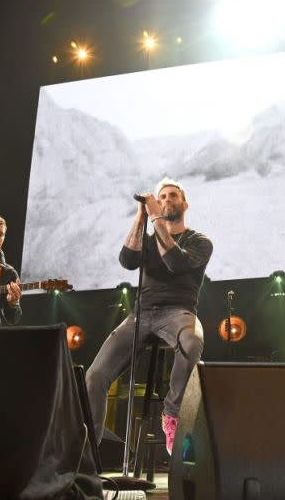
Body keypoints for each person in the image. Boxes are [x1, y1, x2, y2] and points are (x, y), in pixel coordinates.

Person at [85, 178, 213, 454]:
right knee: (95, 376)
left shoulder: (200, 241)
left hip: (179, 312)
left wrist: (155, 216)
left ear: (184, 204)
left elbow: (175, 262)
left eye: (172, 196)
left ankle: (172, 413)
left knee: (193, 343)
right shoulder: (148, 236)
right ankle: (89, 453)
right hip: (141, 313)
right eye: (162, 196)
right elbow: (127, 260)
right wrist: (141, 217)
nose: (166, 200)